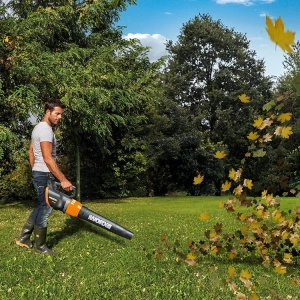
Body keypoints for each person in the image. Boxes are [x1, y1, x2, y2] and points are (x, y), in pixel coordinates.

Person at [16, 99, 73, 255]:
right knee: (47, 208)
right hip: (45, 174)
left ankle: (24, 238)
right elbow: (48, 158)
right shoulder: (46, 129)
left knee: (42, 205)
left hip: (39, 172)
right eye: (57, 114)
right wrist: (63, 179)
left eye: (61, 114)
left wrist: (35, 170)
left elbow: (30, 151)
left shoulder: (37, 128)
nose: (60, 117)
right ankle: (40, 246)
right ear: (48, 112)